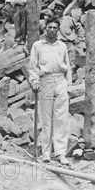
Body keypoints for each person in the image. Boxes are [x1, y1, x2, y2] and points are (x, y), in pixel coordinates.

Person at [28, 17, 71, 166]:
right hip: (45, 80)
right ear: (45, 28)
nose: (52, 30)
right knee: (46, 119)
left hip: (60, 80)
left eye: (55, 28)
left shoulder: (62, 46)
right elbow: (32, 66)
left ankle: (60, 152)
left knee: (61, 118)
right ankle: (46, 153)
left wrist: (68, 84)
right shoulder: (38, 46)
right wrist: (34, 81)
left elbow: (68, 65)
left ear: (58, 30)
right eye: (50, 27)